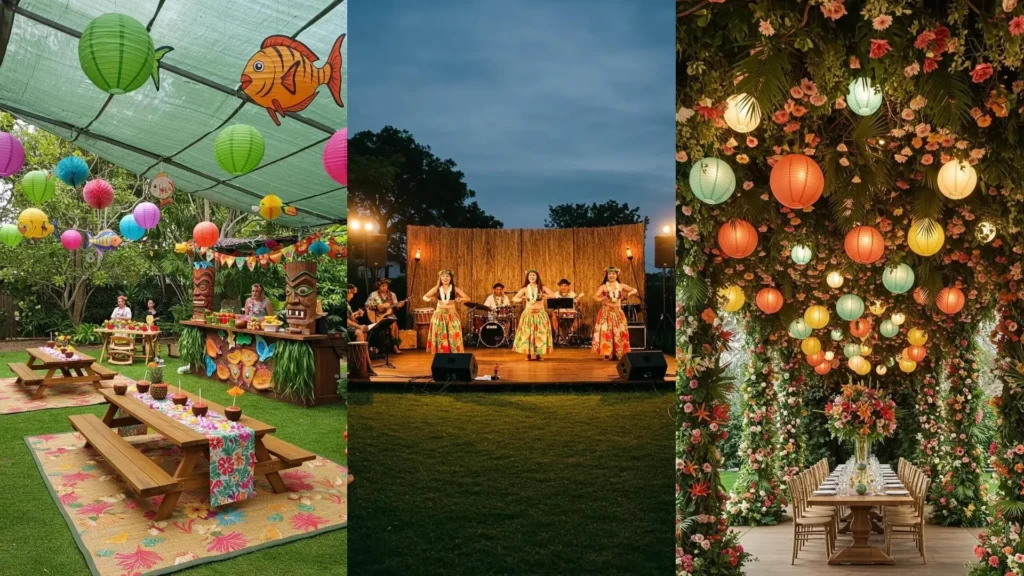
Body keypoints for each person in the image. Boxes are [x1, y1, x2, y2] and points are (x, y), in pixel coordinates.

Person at [591, 266, 637, 360]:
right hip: (606, 312)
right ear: (607, 275)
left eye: (613, 274)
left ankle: (618, 352)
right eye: (609, 274)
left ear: (617, 275)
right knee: (607, 333)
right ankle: (607, 353)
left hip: (618, 312)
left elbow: (634, 290)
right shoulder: (603, 287)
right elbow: (594, 296)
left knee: (619, 332)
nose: (611, 276)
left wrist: (628, 294)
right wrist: (601, 298)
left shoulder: (621, 286)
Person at [512, 269, 555, 360]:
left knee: (540, 335)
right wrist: (522, 298)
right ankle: (528, 354)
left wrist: (544, 295)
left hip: (540, 314)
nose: (532, 277)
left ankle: (539, 355)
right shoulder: (524, 289)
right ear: (527, 277)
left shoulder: (542, 288)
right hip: (528, 314)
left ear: (537, 277)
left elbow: (553, 295)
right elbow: (515, 298)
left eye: (534, 275)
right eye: (530, 275)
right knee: (527, 335)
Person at [422, 269, 469, 353]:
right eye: (443, 276)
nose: (445, 278)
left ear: (450, 278)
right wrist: (429, 299)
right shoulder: (436, 288)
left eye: (447, 276)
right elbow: (424, 297)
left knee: (454, 334)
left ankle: (454, 353)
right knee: (440, 335)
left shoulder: (455, 289)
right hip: (439, 314)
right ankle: (441, 353)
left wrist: (460, 299)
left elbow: (467, 298)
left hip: (452, 314)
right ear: (440, 278)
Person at [365, 278, 406, 354]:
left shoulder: (392, 295)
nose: (384, 287)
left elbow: (396, 307)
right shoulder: (373, 294)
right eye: (382, 286)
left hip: (389, 315)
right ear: (378, 286)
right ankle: (379, 347)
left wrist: (399, 305)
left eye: (385, 285)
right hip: (377, 316)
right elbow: (367, 305)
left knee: (393, 324)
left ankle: (395, 346)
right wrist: (377, 307)